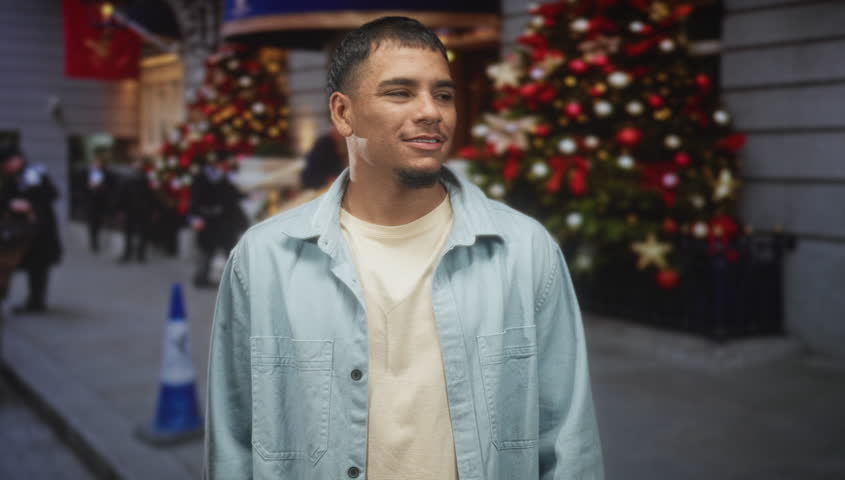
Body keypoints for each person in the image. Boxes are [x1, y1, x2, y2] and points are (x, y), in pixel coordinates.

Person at [205, 16, 603, 480]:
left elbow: (569, 441)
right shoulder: (265, 258)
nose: (431, 111)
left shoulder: (524, 250)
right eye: (400, 92)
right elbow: (232, 444)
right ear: (342, 113)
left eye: (443, 94)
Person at [0, 147, 62, 313]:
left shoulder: (33, 173)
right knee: (26, 264)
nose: (6, 168)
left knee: (38, 265)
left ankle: (36, 300)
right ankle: (31, 299)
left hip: (38, 230)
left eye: (7, 163)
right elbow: (6, 197)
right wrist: (10, 204)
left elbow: (50, 194)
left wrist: (30, 205)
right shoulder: (14, 178)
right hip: (22, 231)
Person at [188, 155, 247, 287]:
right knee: (206, 251)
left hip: (225, 222)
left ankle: (234, 280)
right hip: (208, 221)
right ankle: (201, 278)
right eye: (223, 164)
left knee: (229, 250)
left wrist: (246, 196)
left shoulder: (225, 178)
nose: (225, 167)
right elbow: (195, 200)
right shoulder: (202, 178)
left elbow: (232, 195)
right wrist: (195, 217)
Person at [114, 150, 154, 263]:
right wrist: (120, 210)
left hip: (144, 210)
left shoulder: (147, 179)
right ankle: (128, 253)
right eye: (136, 163)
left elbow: (151, 196)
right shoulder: (126, 180)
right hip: (130, 210)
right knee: (128, 233)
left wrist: (153, 210)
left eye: (140, 163)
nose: (138, 165)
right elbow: (121, 196)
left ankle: (140, 254)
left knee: (143, 233)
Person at [77, 147, 115, 253]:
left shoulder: (108, 174)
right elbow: (81, 187)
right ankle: (94, 242)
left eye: (100, 162)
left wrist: (103, 187)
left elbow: (112, 187)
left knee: (101, 222)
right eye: (96, 162)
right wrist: (89, 188)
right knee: (93, 223)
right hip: (91, 202)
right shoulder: (87, 173)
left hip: (103, 201)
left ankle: (101, 239)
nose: (98, 164)